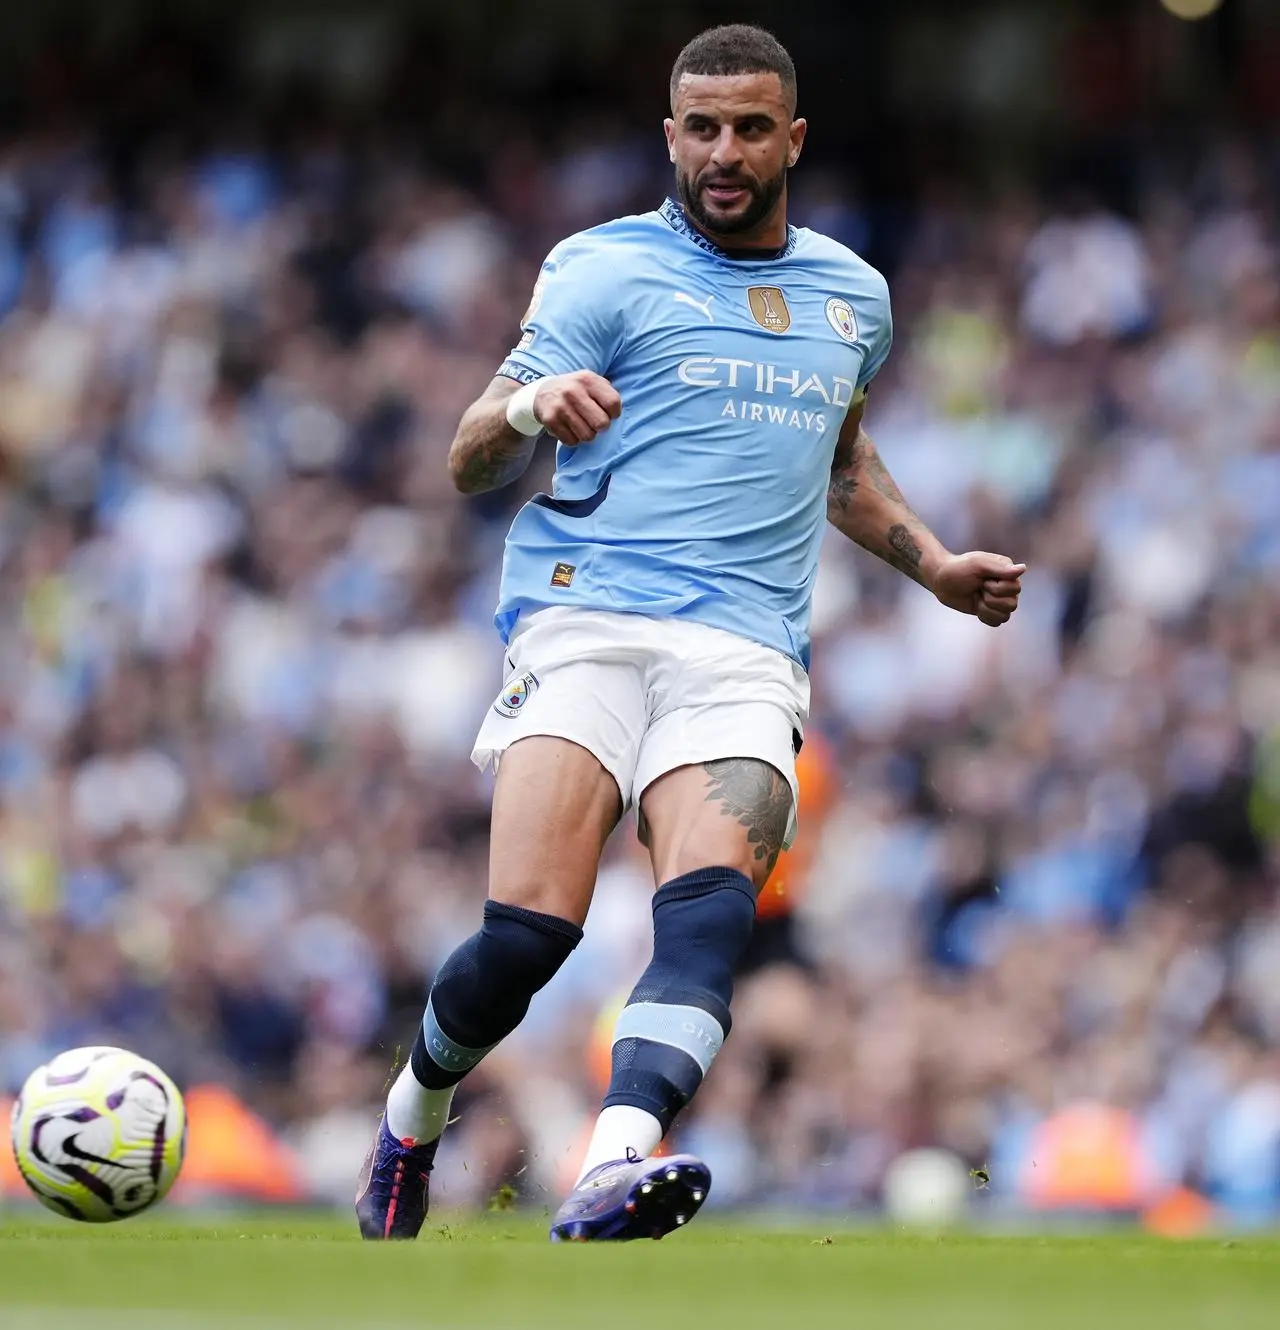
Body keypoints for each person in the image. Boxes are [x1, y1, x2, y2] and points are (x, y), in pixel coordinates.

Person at [356, 22, 1025, 1243]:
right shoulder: (597, 271)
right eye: (701, 128)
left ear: (793, 139)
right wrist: (524, 403)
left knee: (710, 914)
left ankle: (611, 1164)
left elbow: (842, 459)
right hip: (586, 623)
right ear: (670, 136)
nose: (723, 152)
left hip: (745, 652)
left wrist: (930, 564)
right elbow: (465, 460)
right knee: (529, 937)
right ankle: (411, 1118)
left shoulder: (850, 297)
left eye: (749, 128)